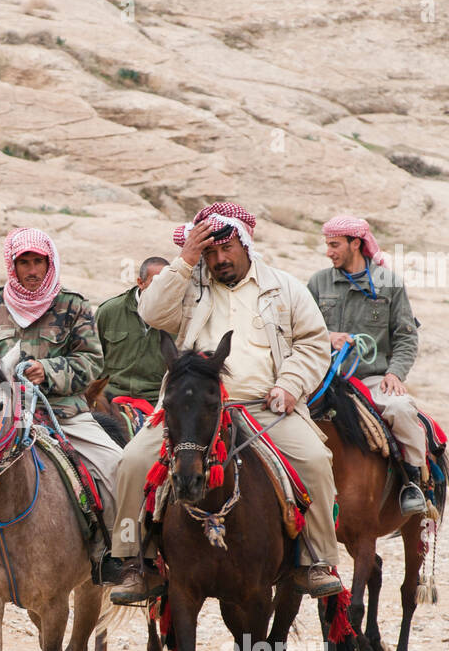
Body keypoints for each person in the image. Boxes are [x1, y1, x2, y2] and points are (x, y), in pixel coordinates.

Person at [103, 202, 343, 601]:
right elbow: (150, 312)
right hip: (193, 409)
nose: (218, 259)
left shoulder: (285, 287)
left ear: (245, 243)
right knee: (131, 463)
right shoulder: (189, 285)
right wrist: (185, 260)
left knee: (316, 461)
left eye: (225, 249)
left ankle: (316, 561)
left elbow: (313, 343)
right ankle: (134, 563)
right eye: (210, 252)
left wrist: (289, 384)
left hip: (266, 405)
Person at [0, 227, 123, 589]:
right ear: (12, 267)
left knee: (115, 466)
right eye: (23, 262)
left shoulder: (73, 306)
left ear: (49, 263)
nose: (31, 270)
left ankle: (110, 552)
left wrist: (49, 370)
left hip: (63, 413)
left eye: (38, 262)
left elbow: (92, 361)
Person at [308, 215, 427, 516]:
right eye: (327, 245)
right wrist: (327, 336)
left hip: (373, 379)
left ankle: (413, 482)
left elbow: (406, 337)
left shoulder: (390, 284)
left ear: (355, 243)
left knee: (401, 409)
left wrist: (394, 373)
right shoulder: (318, 283)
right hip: (322, 380)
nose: (329, 251)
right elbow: (300, 331)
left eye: (334, 245)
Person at [94, 256, 170, 407]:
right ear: (140, 283)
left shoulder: (179, 318)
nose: (162, 289)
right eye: (155, 283)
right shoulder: (109, 311)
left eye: (167, 283)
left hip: (157, 402)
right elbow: (90, 360)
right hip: (109, 398)